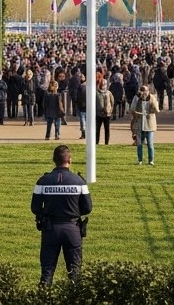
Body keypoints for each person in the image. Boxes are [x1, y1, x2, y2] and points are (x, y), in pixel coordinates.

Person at [30, 144, 92, 287]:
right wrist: (74, 211)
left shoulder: (43, 181)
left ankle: (43, 298)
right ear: (69, 160)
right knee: (75, 272)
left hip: (50, 229)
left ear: (54, 160)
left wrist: (47, 213)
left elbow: (35, 208)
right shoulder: (79, 181)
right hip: (73, 229)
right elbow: (87, 208)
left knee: (47, 271)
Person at [131, 85, 159, 165]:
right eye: (142, 91)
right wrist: (136, 97)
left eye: (145, 91)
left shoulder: (152, 98)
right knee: (139, 143)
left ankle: (151, 160)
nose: (144, 93)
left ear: (148, 91)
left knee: (150, 143)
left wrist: (152, 99)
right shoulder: (137, 98)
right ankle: (140, 160)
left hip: (149, 124)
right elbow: (132, 108)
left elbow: (157, 109)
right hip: (140, 123)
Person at [93, 78, 113, 146]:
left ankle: (106, 142)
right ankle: (96, 142)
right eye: (102, 84)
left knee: (107, 129)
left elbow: (112, 102)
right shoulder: (96, 92)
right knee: (97, 129)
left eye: (104, 84)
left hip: (107, 114)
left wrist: (110, 110)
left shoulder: (108, 92)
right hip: (98, 113)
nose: (103, 85)